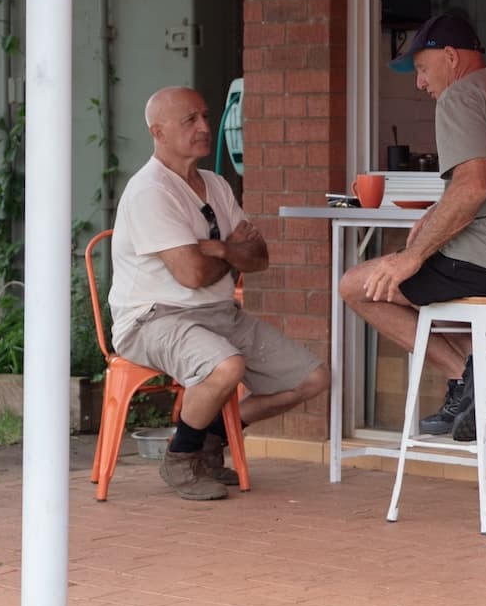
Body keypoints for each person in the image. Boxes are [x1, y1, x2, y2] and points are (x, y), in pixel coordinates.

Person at [338, 13, 486, 441]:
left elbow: (474, 186)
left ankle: (468, 376)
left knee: (359, 285)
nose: (420, 83)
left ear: (450, 57)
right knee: (432, 286)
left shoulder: (462, 95)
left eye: (423, 69)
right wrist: (434, 217)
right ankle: (481, 365)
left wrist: (411, 256)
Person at [111, 87, 330, 501]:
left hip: (219, 312)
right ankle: (179, 458)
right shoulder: (150, 191)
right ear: (157, 132)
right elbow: (192, 274)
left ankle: (210, 440)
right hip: (154, 317)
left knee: (314, 378)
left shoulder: (214, 183)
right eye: (189, 120)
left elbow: (260, 257)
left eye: (205, 116)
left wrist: (221, 249)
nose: (205, 127)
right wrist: (231, 252)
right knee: (226, 367)